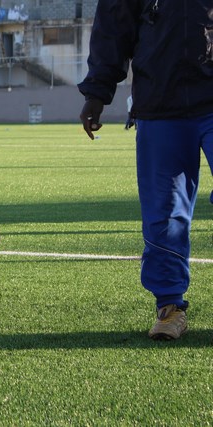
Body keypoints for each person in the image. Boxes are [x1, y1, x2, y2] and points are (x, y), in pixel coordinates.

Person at [78, 0, 213, 340]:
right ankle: (169, 307)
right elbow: (113, 28)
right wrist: (97, 91)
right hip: (159, 105)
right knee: (163, 213)